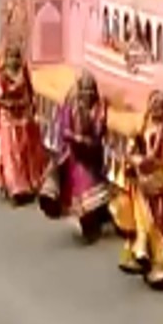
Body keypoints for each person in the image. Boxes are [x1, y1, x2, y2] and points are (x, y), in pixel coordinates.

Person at [113, 90, 163, 289]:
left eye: (159, 107)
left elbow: (161, 159)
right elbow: (133, 151)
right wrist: (135, 161)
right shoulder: (144, 127)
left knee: (159, 225)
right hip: (145, 186)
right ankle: (145, 256)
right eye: (154, 106)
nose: (156, 110)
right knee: (145, 223)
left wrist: (145, 164)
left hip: (157, 185)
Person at [40, 72, 114, 241]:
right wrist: (78, 139)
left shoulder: (99, 108)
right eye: (84, 89)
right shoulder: (71, 107)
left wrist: (89, 141)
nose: (88, 93)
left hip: (93, 157)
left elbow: (99, 131)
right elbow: (65, 131)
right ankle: (87, 224)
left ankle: (97, 219)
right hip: (76, 158)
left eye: (91, 90)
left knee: (97, 190)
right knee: (83, 190)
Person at [0, 42, 48, 204]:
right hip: (8, 119)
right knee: (12, 155)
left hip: (24, 118)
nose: (14, 60)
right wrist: (13, 105)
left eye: (17, 57)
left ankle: (29, 183)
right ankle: (15, 188)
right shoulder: (2, 75)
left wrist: (29, 107)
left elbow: (29, 92)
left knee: (26, 150)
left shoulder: (23, 72)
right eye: (11, 57)